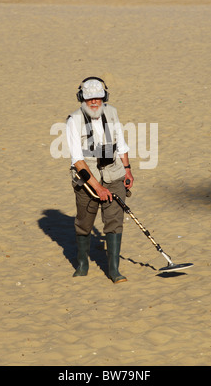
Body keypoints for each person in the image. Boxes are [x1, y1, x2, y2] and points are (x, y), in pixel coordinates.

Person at [66, 77, 134, 283]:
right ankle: (82, 263)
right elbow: (78, 161)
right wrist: (98, 188)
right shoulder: (73, 120)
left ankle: (114, 270)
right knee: (85, 222)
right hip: (87, 178)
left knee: (114, 220)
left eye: (98, 98)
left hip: (114, 173)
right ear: (81, 98)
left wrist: (128, 170)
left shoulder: (111, 112)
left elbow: (120, 143)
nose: (94, 102)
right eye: (89, 99)